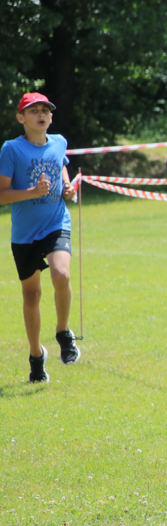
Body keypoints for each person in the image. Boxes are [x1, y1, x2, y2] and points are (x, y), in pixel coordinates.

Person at [0, 92, 80, 383]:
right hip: (24, 234)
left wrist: (68, 187)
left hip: (56, 222)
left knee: (61, 273)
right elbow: (1, 194)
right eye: (34, 111)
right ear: (21, 118)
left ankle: (63, 332)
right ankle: (36, 355)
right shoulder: (11, 150)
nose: (41, 115)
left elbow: (61, 165)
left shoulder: (59, 142)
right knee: (31, 295)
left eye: (45, 110)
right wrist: (31, 193)